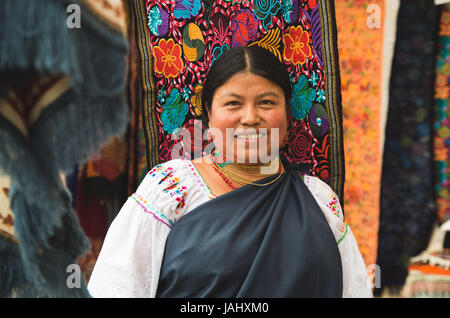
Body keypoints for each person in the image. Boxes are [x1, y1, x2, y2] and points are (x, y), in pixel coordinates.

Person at [87, 46, 373, 298]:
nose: (250, 118)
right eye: (233, 103)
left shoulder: (319, 200)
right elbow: (117, 287)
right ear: (209, 116)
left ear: (288, 118)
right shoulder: (170, 190)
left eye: (266, 102)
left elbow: (354, 290)